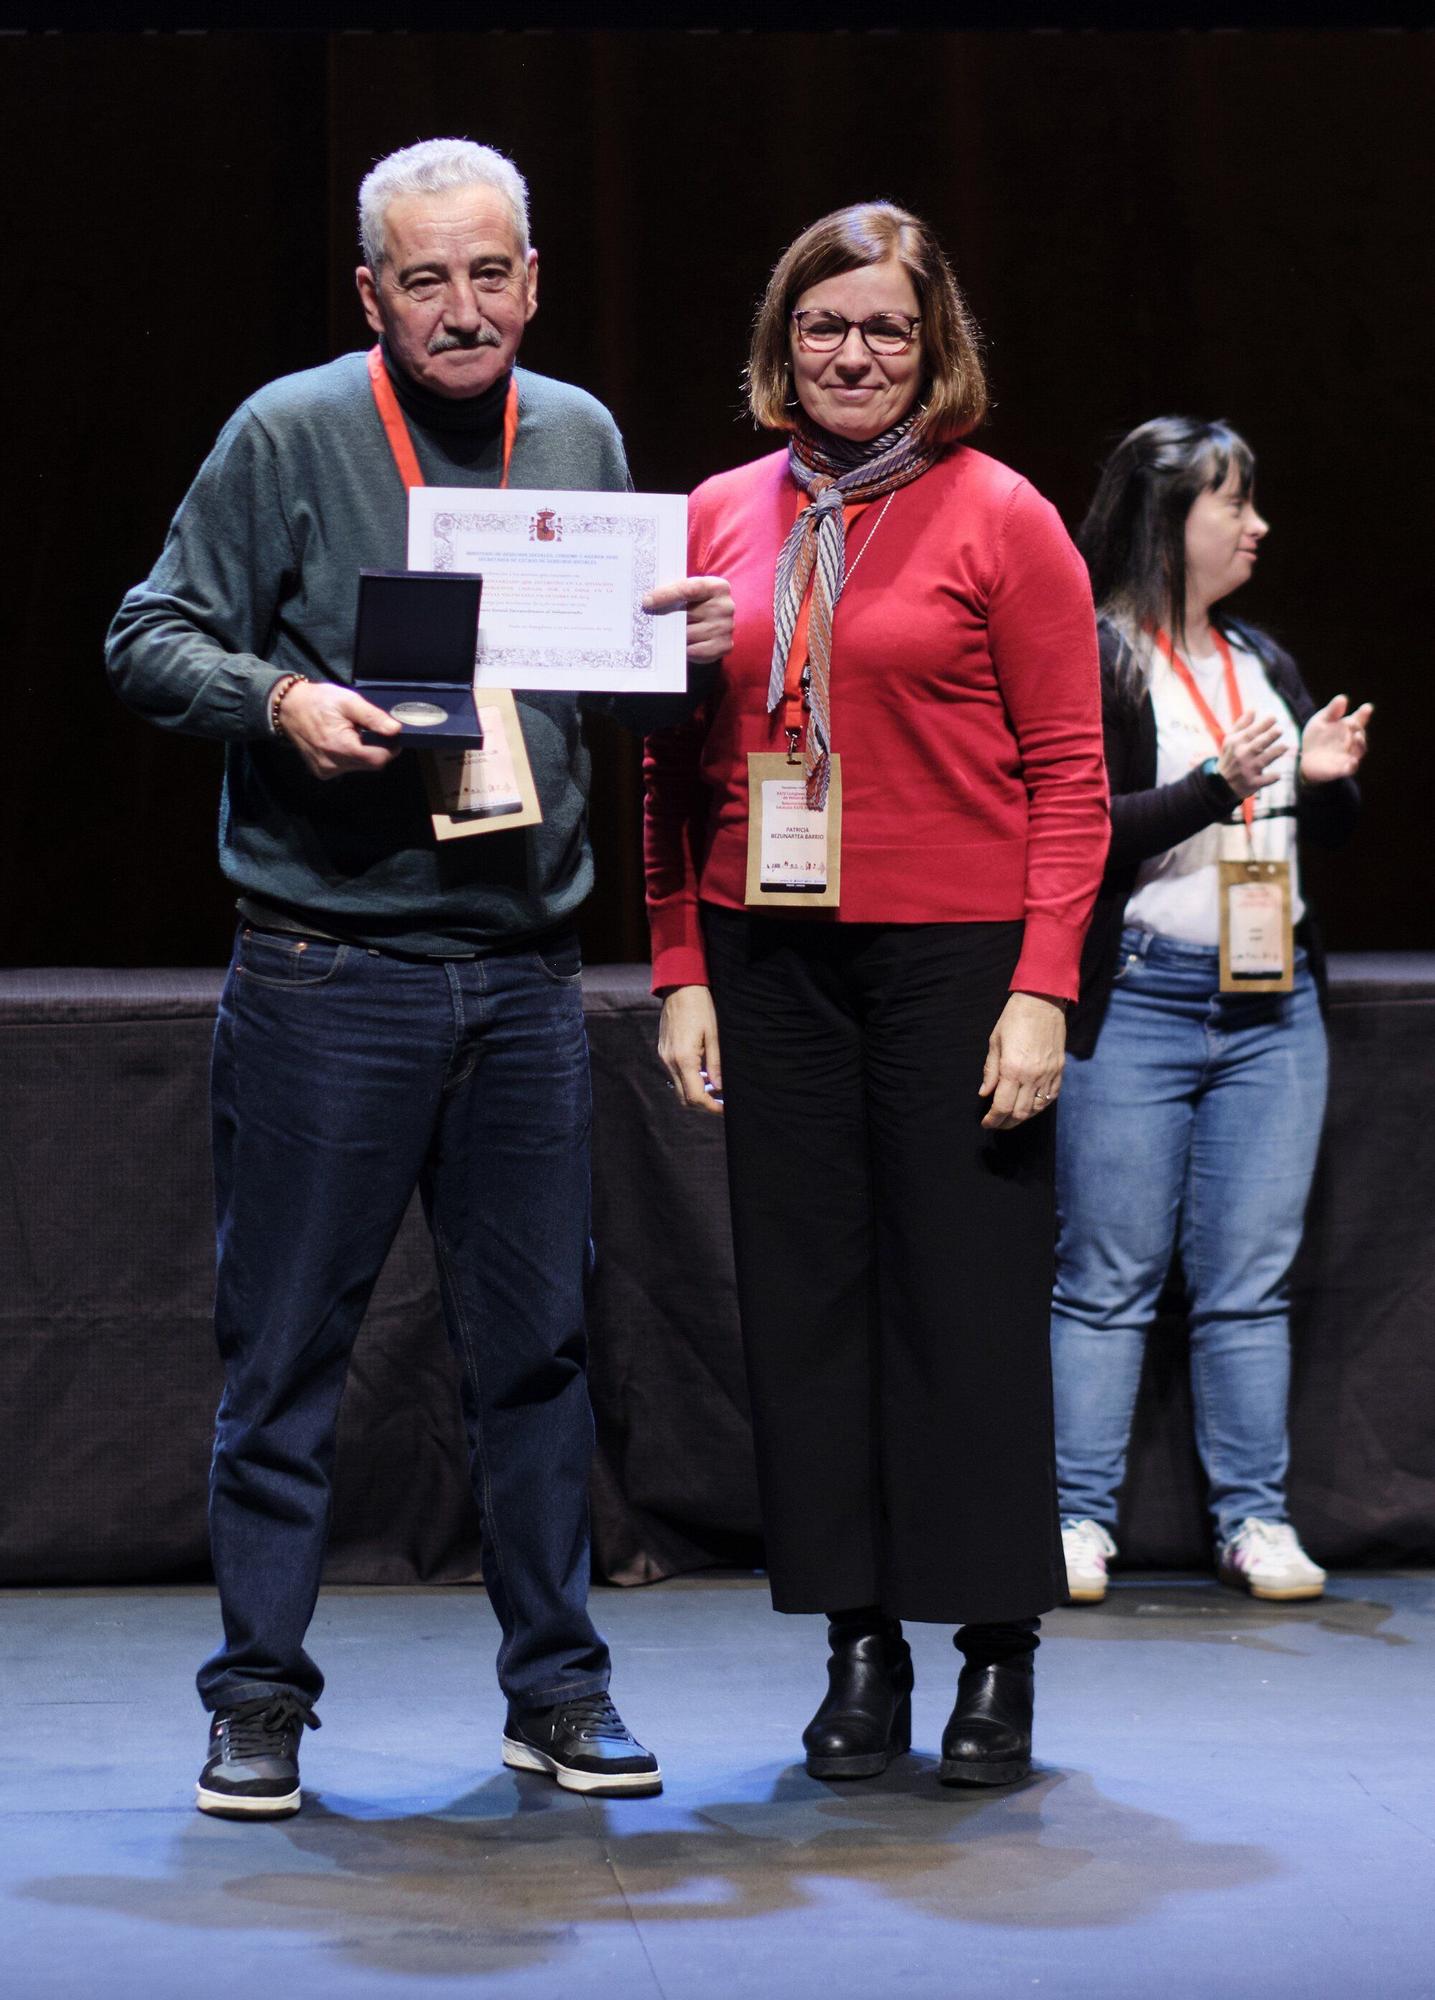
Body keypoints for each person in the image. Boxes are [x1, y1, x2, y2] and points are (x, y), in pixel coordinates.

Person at [105, 137, 732, 1817]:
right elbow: (148, 635)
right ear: (371, 293)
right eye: (426, 277)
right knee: (284, 1360)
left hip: (524, 978)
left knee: (539, 1356)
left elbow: (609, 688)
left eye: (489, 273)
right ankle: (256, 1700)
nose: (462, 307)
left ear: (534, 281)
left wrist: (684, 653)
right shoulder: (291, 430)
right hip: (332, 973)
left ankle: (559, 1689)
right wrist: (279, 702)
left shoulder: (580, 437)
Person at [644, 203, 1109, 1786]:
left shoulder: (1002, 516)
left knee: (960, 1307)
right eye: (823, 326)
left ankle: (993, 1651)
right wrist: (677, 968)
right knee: (806, 1308)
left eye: (884, 329)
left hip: (954, 960)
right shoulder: (716, 513)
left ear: (931, 346)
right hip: (767, 954)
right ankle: (857, 1645)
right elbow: (664, 771)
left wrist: (1041, 989)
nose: (852, 354)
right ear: (782, 343)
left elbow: (1069, 777)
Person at [1052, 417, 1370, 1608]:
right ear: (1164, 517)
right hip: (1139, 995)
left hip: (1270, 1003)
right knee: (1106, 1275)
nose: (1256, 525)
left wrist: (1321, 783)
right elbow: (1078, 833)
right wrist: (1208, 786)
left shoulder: (1260, 658)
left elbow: (1313, 830)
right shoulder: (1098, 657)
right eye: (1231, 503)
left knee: (1248, 1281)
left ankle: (1255, 1518)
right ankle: (1075, 1516)